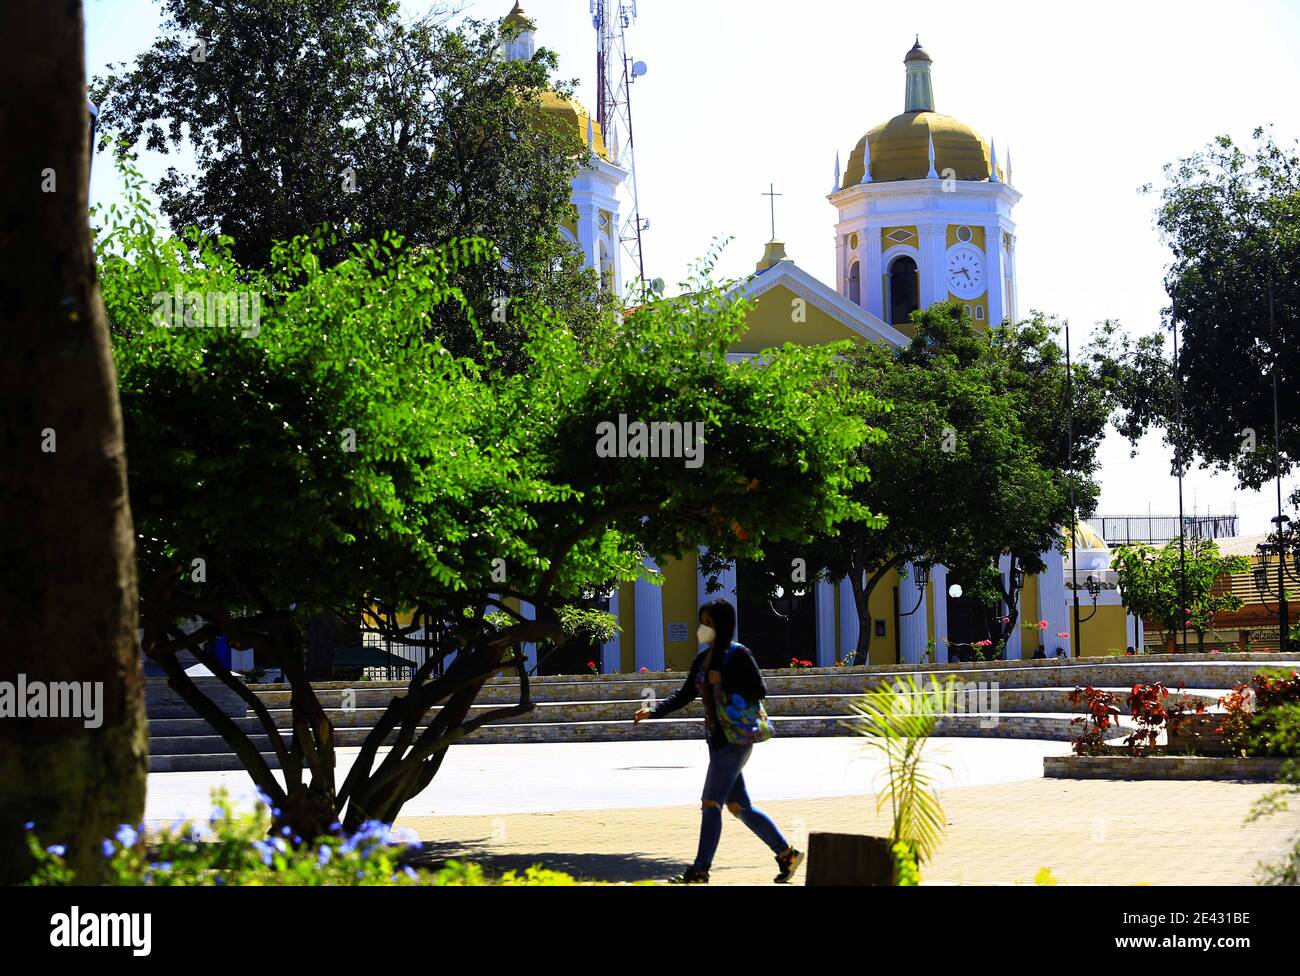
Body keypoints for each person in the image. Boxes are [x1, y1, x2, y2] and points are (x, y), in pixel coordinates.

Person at [633, 597, 803, 884]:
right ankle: (787, 855)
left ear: (722, 626)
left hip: (736, 740)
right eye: (702, 622)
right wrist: (653, 711)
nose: (702, 628)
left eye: (708, 623)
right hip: (717, 740)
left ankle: (700, 870)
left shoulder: (738, 655)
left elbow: (758, 689)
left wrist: (723, 679)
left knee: (711, 802)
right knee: (740, 808)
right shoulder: (701, 660)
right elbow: (685, 694)